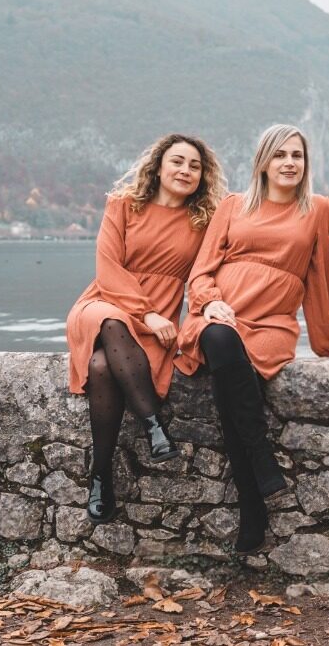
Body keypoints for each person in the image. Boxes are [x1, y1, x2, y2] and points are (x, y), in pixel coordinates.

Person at [175, 124, 329, 553]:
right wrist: (209, 302)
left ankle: (252, 502)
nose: (289, 163)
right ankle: (261, 469)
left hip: (271, 323)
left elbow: (320, 278)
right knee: (222, 343)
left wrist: (328, 345)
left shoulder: (319, 209)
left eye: (297, 156)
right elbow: (202, 270)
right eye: (280, 155)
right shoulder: (232, 206)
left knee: (231, 385)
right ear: (263, 162)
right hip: (221, 314)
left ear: (306, 164)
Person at [67, 134, 226, 525]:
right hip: (104, 302)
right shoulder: (123, 204)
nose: (185, 170)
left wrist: (210, 308)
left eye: (194, 165)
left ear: (203, 176)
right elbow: (108, 267)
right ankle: (154, 425)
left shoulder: (203, 220)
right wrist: (147, 314)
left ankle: (101, 475)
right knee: (112, 320)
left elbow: (206, 275)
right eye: (177, 161)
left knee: (103, 368)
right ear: (158, 166)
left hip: (157, 320)